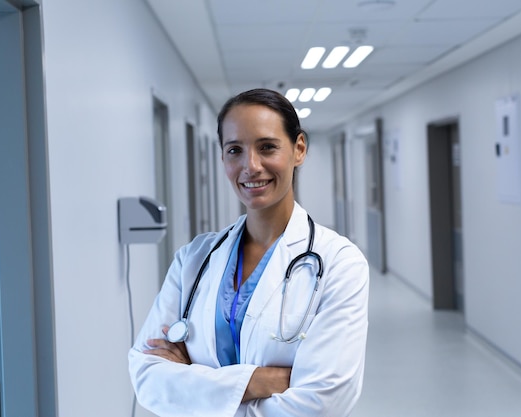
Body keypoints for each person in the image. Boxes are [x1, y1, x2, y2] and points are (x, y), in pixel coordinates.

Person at [128, 88, 369, 416]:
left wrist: (194, 384)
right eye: (234, 150)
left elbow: (322, 402)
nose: (250, 166)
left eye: (267, 147)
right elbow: (146, 376)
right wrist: (256, 382)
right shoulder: (194, 258)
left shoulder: (340, 263)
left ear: (299, 149)